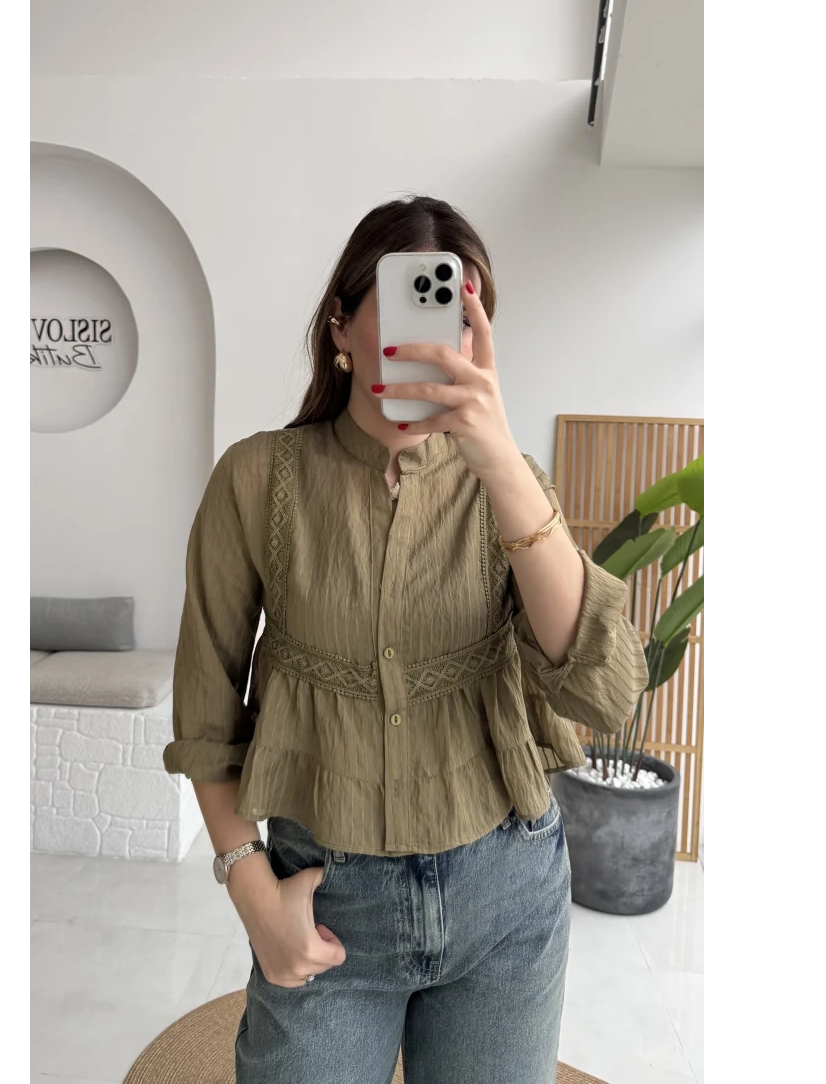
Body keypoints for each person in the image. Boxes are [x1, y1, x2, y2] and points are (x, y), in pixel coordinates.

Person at [162, 195, 649, 1084]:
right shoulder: (257, 479)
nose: (430, 341)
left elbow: (606, 690)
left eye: (456, 317)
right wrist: (249, 887)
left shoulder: (511, 485)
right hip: (328, 904)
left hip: (508, 897)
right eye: (406, 306)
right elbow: (205, 708)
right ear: (341, 326)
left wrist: (499, 461)